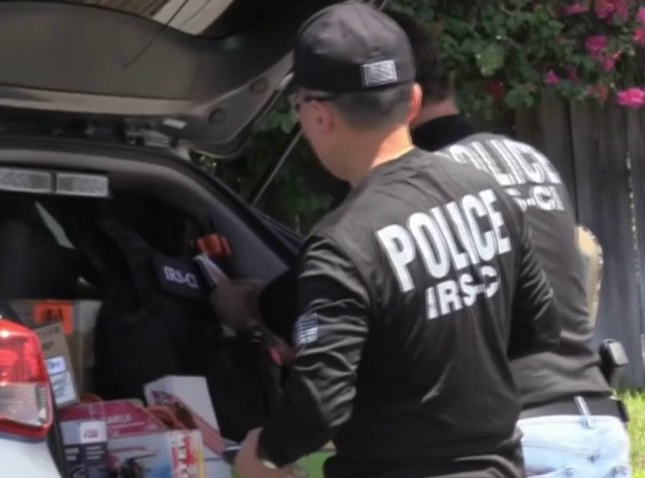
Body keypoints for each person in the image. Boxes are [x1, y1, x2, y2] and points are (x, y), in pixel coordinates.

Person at [218, 10, 631, 477]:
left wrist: (265, 455)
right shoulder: (488, 193)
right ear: (412, 100)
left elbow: (320, 400)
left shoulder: (343, 242)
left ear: (316, 115)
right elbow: (536, 328)